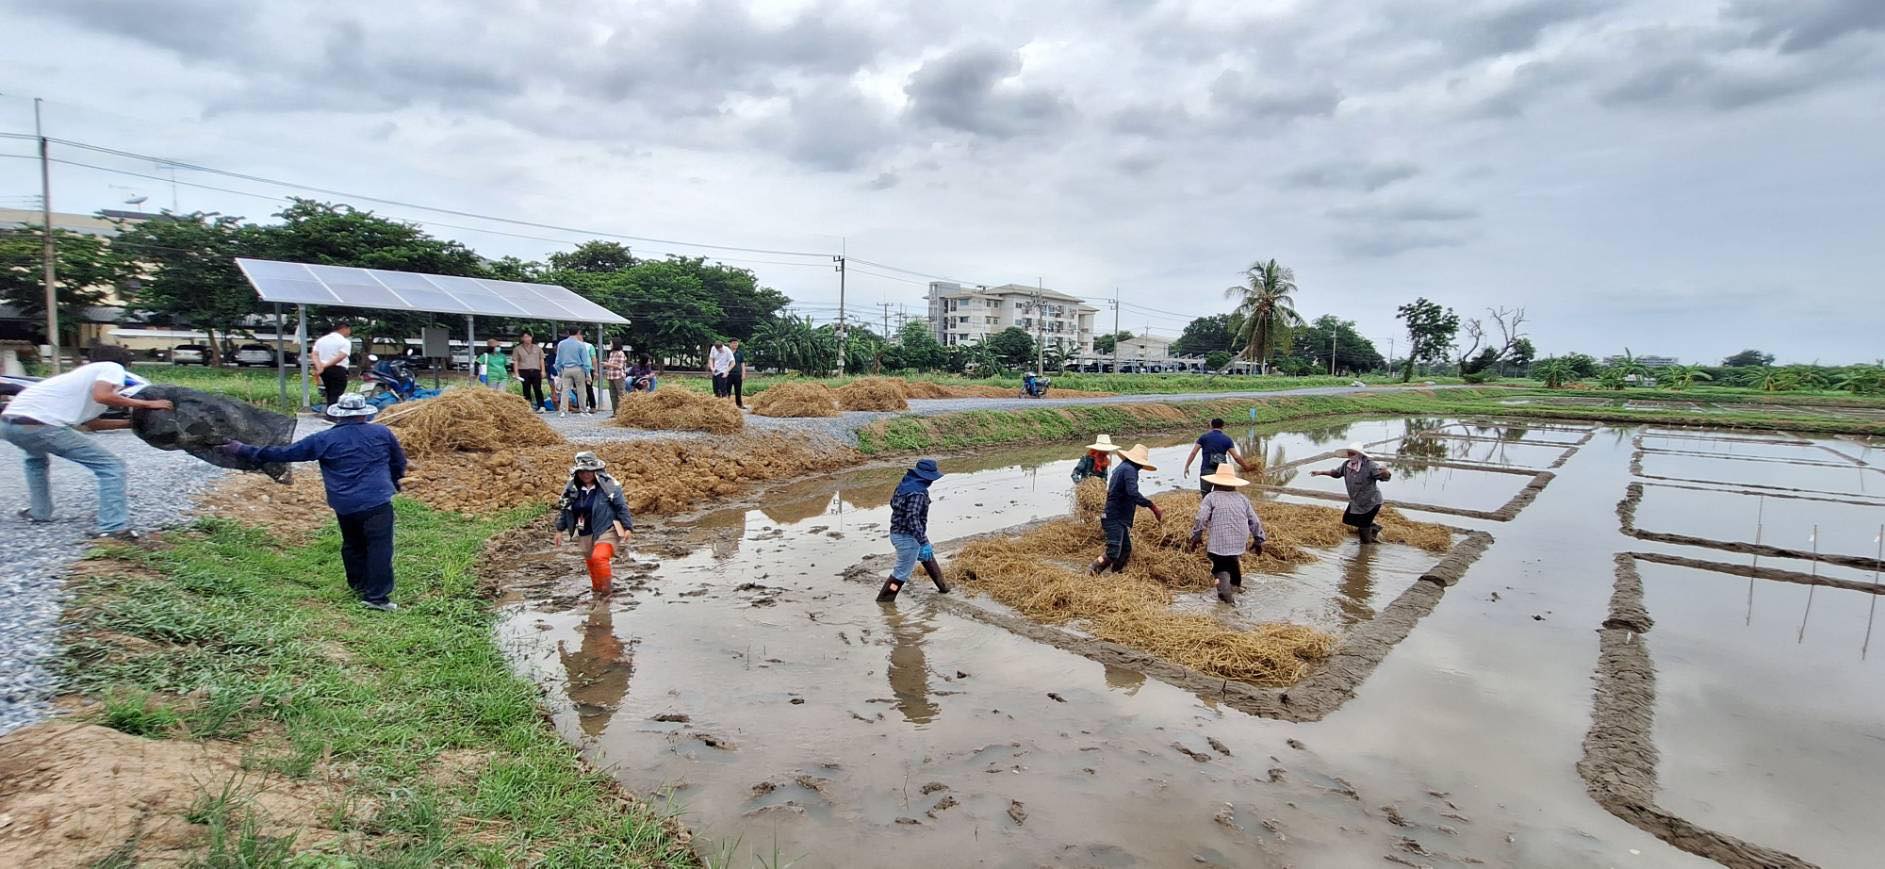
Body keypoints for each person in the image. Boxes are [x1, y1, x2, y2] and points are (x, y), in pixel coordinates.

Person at [218, 393, 408, 611]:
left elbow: (285, 453)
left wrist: (242, 449)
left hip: (344, 503)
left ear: (338, 416)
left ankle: (358, 584)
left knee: (352, 543)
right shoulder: (382, 432)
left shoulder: (323, 440)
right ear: (364, 414)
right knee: (379, 547)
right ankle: (376, 598)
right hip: (377, 501)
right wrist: (394, 481)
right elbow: (398, 461)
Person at [1, 361, 173, 540]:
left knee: (35, 460)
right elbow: (103, 395)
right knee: (111, 467)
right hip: (39, 425)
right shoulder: (112, 367)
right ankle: (113, 527)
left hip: (9, 424)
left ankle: (39, 512)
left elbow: (93, 424)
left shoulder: (77, 382)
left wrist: (133, 424)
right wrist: (147, 405)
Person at [554, 451, 633, 596]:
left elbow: (621, 506)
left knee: (599, 557)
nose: (586, 474)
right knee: (591, 561)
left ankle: (607, 592)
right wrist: (559, 530)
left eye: (589, 471)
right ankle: (597, 589)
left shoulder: (608, 487)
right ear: (577, 473)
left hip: (606, 528)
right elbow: (565, 510)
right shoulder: (572, 490)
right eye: (582, 471)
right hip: (585, 531)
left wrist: (627, 527)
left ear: (596, 470)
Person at [1188, 464, 1265, 603]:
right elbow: (1254, 520)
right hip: (1239, 540)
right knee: (1232, 559)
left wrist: (1196, 536)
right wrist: (1258, 539)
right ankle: (1236, 587)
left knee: (1219, 567)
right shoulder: (1242, 498)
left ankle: (1226, 598)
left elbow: (1201, 518)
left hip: (1219, 541)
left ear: (1215, 483)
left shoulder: (1211, 497)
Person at [878, 458, 950, 602]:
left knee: (927, 556)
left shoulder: (905, 485)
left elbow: (895, 504)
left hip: (899, 532)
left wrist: (922, 540)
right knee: (901, 573)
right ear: (926, 477)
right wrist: (923, 542)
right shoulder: (917, 493)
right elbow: (912, 518)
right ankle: (885, 601)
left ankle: (944, 587)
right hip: (907, 536)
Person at [1090, 443, 1163, 574]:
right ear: (1139, 463)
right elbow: (1133, 493)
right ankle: (1092, 571)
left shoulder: (1123, 468)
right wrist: (1153, 507)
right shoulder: (1130, 470)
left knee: (1125, 550)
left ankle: (1116, 574)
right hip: (1115, 516)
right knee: (1113, 551)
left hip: (1118, 516)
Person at [1310, 443, 1393, 544]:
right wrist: (1321, 472)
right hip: (1357, 501)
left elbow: (1384, 477)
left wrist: (1385, 473)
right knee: (1348, 519)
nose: (1350, 455)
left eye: (1353, 453)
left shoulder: (1369, 465)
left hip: (1371, 502)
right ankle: (1373, 527)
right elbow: (1336, 473)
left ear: (1359, 454)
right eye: (1349, 453)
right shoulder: (1347, 465)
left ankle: (1365, 550)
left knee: (1363, 528)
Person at [1182, 418, 1252, 494]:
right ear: (1223, 426)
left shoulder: (1203, 437)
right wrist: (1246, 467)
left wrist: (1187, 466)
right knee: (1222, 495)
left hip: (1206, 470)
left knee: (1206, 495)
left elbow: (1193, 453)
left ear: (1211, 426)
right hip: (1222, 471)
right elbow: (1236, 457)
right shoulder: (1227, 439)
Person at [310, 322, 354, 408]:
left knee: (329, 391)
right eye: (349, 330)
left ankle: (329, 410)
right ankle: (333, 413)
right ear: (344, 329)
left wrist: (320, 367)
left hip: (324, 371)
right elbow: (341, 356)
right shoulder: (345, 341)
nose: (349, 332)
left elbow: (314, 354)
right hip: (338, 369)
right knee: (337, 393)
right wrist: (325, 365)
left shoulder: (321, 340)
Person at [555, 327, 593, 416]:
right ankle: (583, 410)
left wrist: (559, 371)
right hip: (578, 369)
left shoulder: (561, 344)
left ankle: (563, 411)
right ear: (578, 332)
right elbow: (585, 361)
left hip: (566, 369)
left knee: (565, 390)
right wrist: (587, 373)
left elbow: (558, 359)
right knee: (581, 390)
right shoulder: (581, 345)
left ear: (568, 332)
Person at [514, 331, 547, 412]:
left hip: (535, 370)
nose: (527, 339)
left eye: (529, 337)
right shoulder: (517, 349)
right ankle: (528, 406)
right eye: (525, 337)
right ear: (522, 338)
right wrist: (516, 373)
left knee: (538, 388)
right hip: (524, 370)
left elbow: (541, 359)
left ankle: (541, 406)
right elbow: (515, 361)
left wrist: (543, 370)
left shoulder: (537, 348)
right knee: (526, 388)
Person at [602, 340, 629, 409]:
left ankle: (623, 410)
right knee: (613, 395)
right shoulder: (611, 353)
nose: (610, 345)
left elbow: (619, 366)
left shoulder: (621, 353)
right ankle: (615, 411)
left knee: (621, 394)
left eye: (611, 343)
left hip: (618, 376)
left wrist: (608, 364)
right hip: (611, 376)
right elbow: (612, 364)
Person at [727, 338, 747, 408]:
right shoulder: (726, 352)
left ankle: (739, 404)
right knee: (727, 390)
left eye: (736, 343)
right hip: (728, 374)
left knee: (738, 390)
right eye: (733, 343)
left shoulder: (740, 353)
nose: (735, 344)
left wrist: (743, 373)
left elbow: (742, 364)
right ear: (730, 344)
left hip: (738, 374)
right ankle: (727, 404)